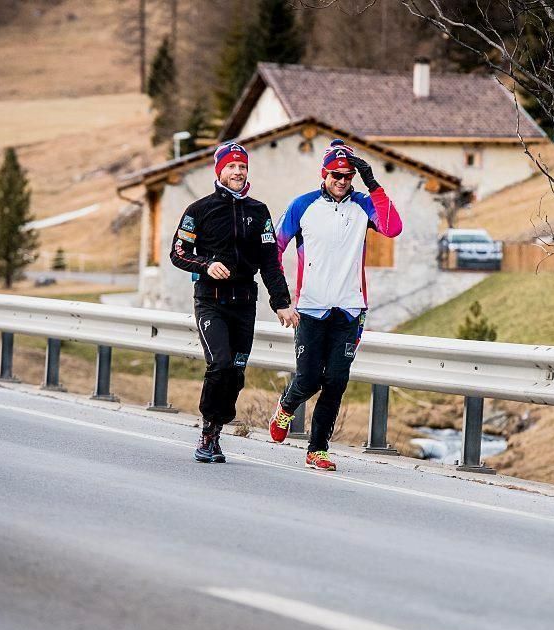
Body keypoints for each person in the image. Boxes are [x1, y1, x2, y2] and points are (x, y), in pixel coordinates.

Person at [268, 139, 403, 471]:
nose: (342, 181)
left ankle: (318, 449)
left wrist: (372, 183)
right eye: (336, 175)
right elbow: (273, 250)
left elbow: (393, 228)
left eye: (348, 176)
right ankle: (286, 406)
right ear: (324, 174)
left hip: (350, 310)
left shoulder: (363, 204)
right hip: (310, 308)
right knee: (309, 379)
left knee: (336, 381)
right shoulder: (303, 205)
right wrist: (281, 299)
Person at [170, 142, 299, 463]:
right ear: (220, 171)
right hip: (210, 301)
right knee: (220, 365)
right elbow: (178, 252)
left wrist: (281, 302)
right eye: (231, 166)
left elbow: (270, 262)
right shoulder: (199, 210)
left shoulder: (259, 211)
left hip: (244, 303)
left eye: (242, 167)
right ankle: (208, 433)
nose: (238, 172)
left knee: (236, 373)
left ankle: (218, 427)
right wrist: (206, 265)